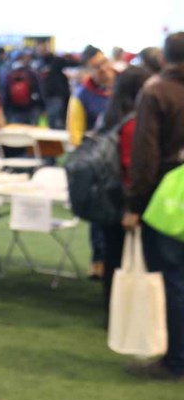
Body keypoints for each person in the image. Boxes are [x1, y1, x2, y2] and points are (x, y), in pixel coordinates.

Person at [123, 32, 184, 380]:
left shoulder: (157, 91)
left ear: (164, 58)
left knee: (173, 280)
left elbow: (144, 157)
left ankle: (176, 358)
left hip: (167, 200)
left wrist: (134, 204)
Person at [97, 67, 148, 318]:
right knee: (125, 259)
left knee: (114, 257)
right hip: (124, 200)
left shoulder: (110, 117)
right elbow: (130, 166)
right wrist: (134, 206)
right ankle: (120, 315)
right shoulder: (132, 123)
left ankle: (113, 311)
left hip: (109, 197)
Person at [69, 45, 115, 279]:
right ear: (89, 70)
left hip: (121, 165)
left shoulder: (121, 89)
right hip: (97, 166)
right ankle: (98, 260)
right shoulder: (81, 96)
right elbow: (75, 136)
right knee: (99, 218)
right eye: (98, 66)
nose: (105, 69)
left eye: (105, 62)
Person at [41, 56, 72, 130]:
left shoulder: (48, 74)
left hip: (52, 98)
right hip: (58, 98)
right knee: (56, 120)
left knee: (52, 120)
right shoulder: (60, 76)